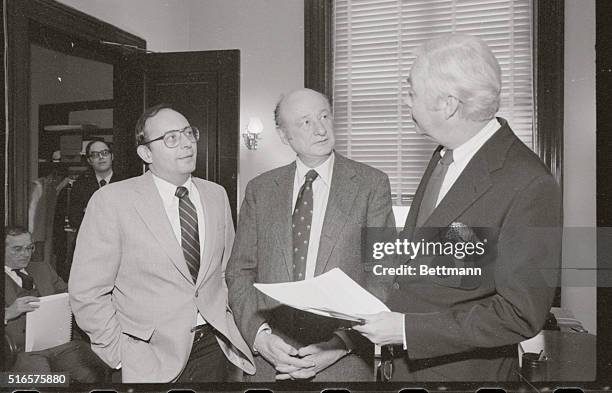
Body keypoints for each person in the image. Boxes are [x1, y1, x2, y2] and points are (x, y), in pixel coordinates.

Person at [352, 34, 562, 381]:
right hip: (402, 371)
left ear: (449, 105)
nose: (407, 104)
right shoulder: (446, 153)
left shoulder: (528, 183)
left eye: (412, 93)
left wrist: (406, 331)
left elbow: (520, 313)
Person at [68, 104, 255, 383]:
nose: (186, 143)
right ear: (146, 153)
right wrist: (119, 353)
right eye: (171, 138)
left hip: (214, 350)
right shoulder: (112, 200)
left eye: (188, 133)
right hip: (147, 356)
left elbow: (226, 271)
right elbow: (87, 291)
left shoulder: (216, 195)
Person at [226, 88, 395, 381]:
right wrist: (260, 337)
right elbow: (240, 272)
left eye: (324, 116)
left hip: (345, 362)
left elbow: (384, 274)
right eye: (305, 122)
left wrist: (341, 344)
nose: (320, 128)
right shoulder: (260, 189)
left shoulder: (371, 185)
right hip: (271, 361)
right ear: (283, 135)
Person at [4, 226, 104, 382]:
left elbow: (70, 296)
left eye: (30, 248)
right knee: (42, 380)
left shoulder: (43, 268)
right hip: (20, 351)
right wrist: (9, 312)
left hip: (59, 344)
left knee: (90, 374)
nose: (25, 254)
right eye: (17, 249)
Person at [68, 139, 122, 231]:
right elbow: (74, 220)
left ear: (112, 156)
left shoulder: (124, 184)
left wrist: (90, 212)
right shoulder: (80, 185)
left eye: (105, 153)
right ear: (89, 160)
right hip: (89, 240)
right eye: (95, 155)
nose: (101, 157)